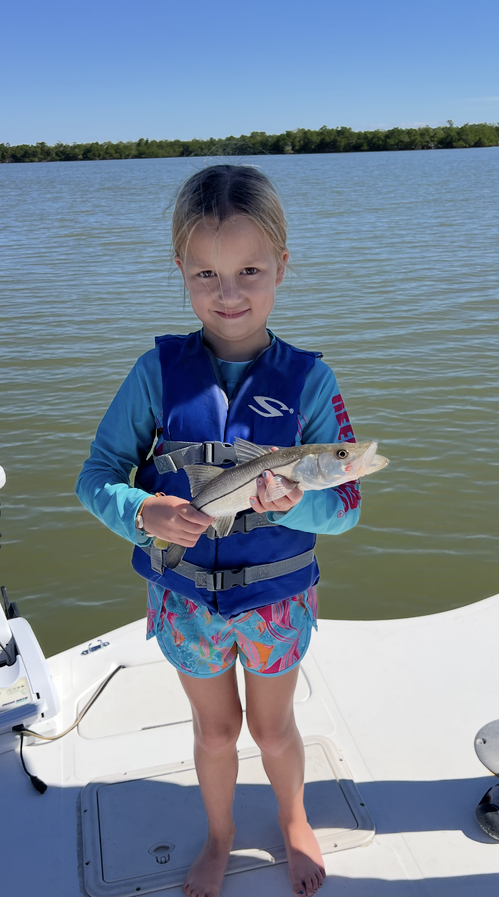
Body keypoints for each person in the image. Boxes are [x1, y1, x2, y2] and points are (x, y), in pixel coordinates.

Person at [76, 164, 361, 897]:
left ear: (281, 268)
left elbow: (345, 505)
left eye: (248, 270)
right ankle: (222, 833)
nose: (228, 292)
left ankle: (294, 819)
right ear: (180, 270)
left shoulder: (311, 383)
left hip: (275, 599)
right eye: (205, 272)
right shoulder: (154, 373)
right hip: (185, 599)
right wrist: (143, 512)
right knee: (212, 732)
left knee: (272, 730)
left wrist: (288, 500)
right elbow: (95, 475)